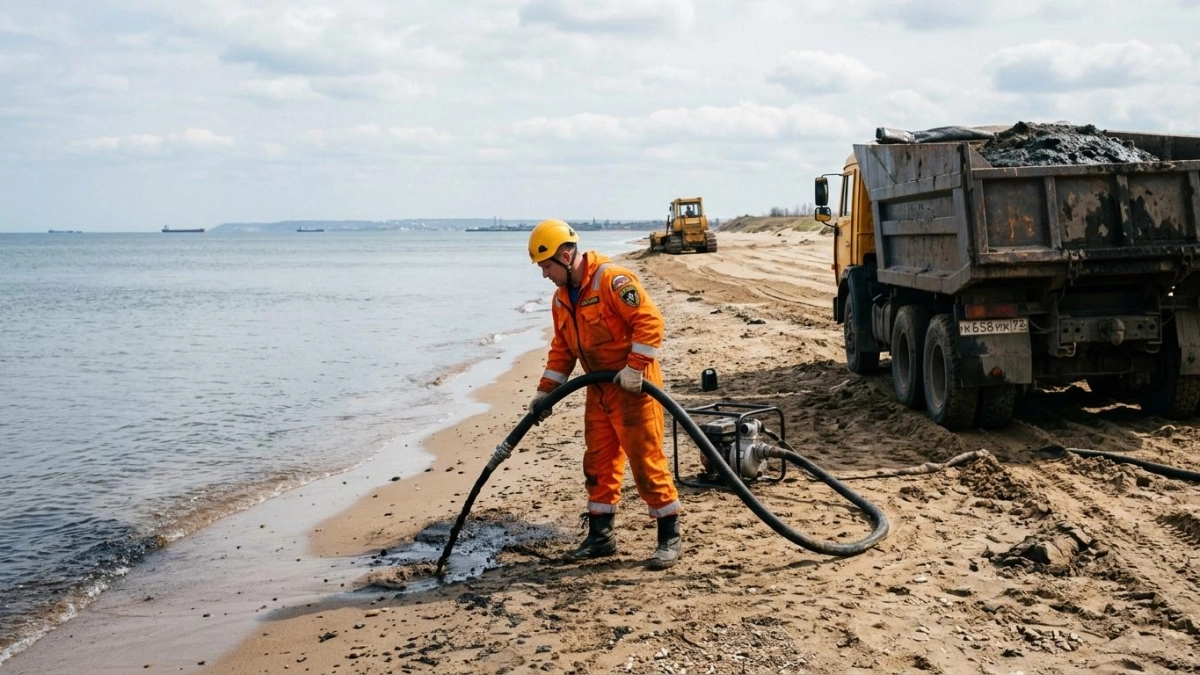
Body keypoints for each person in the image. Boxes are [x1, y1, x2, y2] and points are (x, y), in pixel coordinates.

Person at [526, 218, 682, 570]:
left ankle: (669, 536)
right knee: (598, 463)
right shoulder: (561, 299)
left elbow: (650, 321)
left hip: (633, 389)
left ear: (566, 257)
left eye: (547, 266)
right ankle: (601, 537)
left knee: (646, 462)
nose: (544, 274)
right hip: (598, 390)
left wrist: (635, 367)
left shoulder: (613, 280)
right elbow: (563, 350)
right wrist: (544, 392)